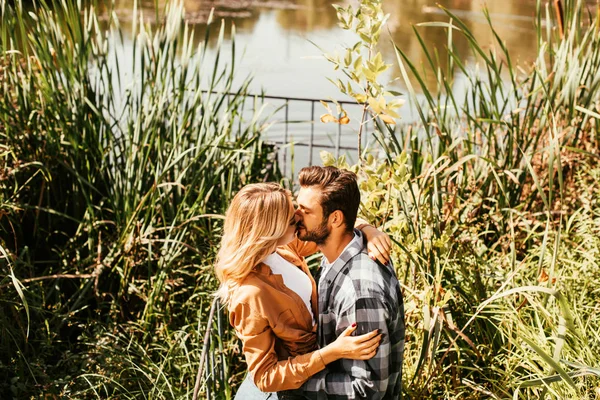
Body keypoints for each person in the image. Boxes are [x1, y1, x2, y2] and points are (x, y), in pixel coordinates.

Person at [214, 183, 392, 399]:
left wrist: (368, 231)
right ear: (270, 230)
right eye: (292, 219)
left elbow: (334, 228)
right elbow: (265, 377)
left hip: (309, 380)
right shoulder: (250, 295)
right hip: (280, 394)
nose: (300, 219)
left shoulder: (283, 248)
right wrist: (332, 352)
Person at [295, 166, 405, 400]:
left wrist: (297, 383)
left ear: (335, 218)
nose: (296, 215)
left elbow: (369, 390)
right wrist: (366, 227)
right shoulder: (336, 251)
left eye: (305, 211)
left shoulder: (360, 291)